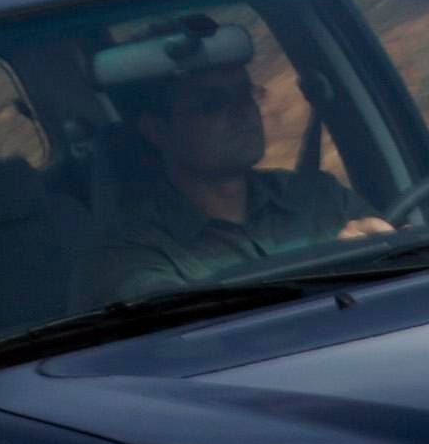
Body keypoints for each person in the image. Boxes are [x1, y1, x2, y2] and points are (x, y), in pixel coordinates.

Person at [85, 62, 375, 298]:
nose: (244, 111)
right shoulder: (127, 255)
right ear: (158, 131)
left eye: (245, 93)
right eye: (213, 103)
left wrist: (383, 244)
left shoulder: (321, 195)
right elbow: (187, 332)